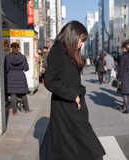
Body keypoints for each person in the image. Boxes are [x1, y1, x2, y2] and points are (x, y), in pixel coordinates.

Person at [44, 21, 105, 160]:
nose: (82, 43)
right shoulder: (58, 51)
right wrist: (73, 95)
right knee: (90, 150)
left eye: (83, 40)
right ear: (72, 35)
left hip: (72, 105)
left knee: (76, 150)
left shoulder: (68, 51)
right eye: (81, 39)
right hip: (67, 106)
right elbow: (50, 81)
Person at [5, 43, 32, 117]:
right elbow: (26, 69)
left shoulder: (8, 57)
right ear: (18, 48)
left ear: (11, 48)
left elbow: (6, 68)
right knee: (23, 93)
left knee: (13, 94)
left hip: (11, 76)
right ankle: (27, 110)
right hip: (20, 76)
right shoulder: (22, 57)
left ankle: (14, 112)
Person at [117, 42, 129, 114]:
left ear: (124, 48)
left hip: (124, 76)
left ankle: (126, 109)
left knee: (124, 94)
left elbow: (121, 68)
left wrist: (119, 76)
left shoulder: (123, 56)